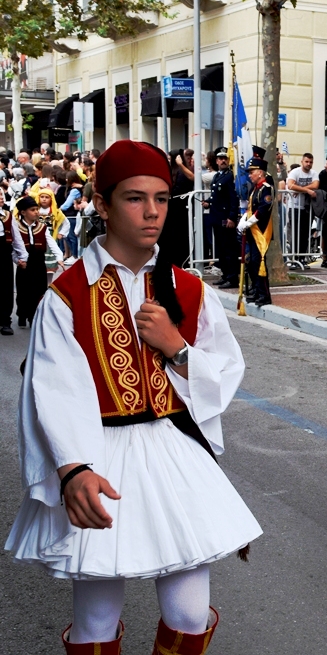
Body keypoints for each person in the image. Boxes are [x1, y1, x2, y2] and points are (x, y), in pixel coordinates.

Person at [4, 139, 261, 653]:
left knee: (189, 614)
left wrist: (177, 348)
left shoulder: (189, 289)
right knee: (96, 620)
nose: (152, 213)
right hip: (99, 454)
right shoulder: (67, 293)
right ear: (101, 204)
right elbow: (53, 389)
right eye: (134, 198)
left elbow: (224, 374)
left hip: (173, 452)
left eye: (163, 198)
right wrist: (72, 469)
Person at [12, 196, 64, 328]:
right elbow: (13, 247)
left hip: (39, 262)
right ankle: (22, 315)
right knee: (23, 291)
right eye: (33, 210)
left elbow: (51, 243)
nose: (36, 212)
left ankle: (33, 316)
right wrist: (18, 260)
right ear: (23, 212)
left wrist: (59, 257)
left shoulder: (42, 227)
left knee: (39, 289)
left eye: (37, 209)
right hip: (24, 264)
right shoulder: (16, 227)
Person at [237, 156, 275, 306]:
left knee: (259, 263)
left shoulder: (266, 188)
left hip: (261, 232)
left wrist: (248, 223)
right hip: (253, 232)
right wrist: (243, 220)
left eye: (252, 172)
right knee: (252, 263)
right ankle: (256, 290)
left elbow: (263, 210)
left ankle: (264, 295)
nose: (249, 174)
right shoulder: (256, 189)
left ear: (260, 172)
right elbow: (250, 208)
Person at [210, 148, 241, 290]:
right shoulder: (217, 176)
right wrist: (208, 202)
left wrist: (232, 217)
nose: (223, 161)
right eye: (220, 159)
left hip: (226, 218)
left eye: (225, 159)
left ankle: (233, 277)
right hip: (217, 218)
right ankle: (225, 274)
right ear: (216, 161)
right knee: (221, 249)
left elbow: (233, 199)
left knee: (230, 250)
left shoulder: (229, 177)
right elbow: (216, 196)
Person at [287, 152, 319, 264]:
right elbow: (290, 185)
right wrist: (307, 190)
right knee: (295, 233)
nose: (308, 164)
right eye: (306, 161)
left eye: (310, 162)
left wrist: (301, 189)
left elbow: (315, 185)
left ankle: (302, 258)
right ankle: (294, 258)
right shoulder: (295, 172)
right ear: (302, 162)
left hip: (307, 207)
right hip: (294, 206)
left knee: (305, 234)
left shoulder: (314, 173)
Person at [0, 201, 14, 335]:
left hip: (4, 253)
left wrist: (22, 256)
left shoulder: (8, 216)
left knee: (5, 286)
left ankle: (5, 321)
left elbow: (17, 238)